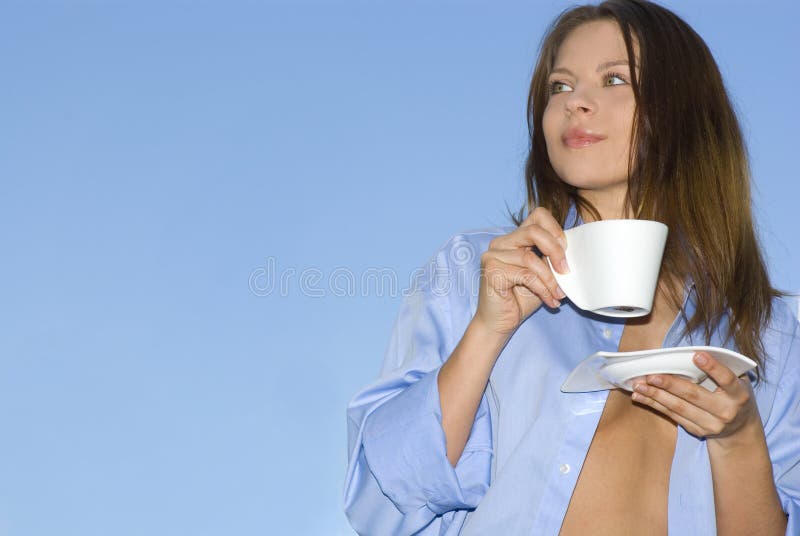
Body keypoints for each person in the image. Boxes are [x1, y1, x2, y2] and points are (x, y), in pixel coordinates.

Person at [342, 0, 800, 534]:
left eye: (613, 79)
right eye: (560, 86)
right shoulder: (479, 269)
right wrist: (487, 332)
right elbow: (380, 501)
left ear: (685, 111)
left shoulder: (771, 334)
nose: (576, 103)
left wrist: (738, 439)